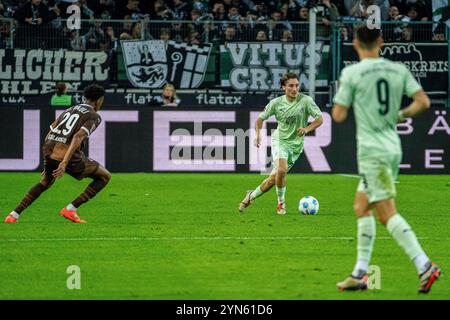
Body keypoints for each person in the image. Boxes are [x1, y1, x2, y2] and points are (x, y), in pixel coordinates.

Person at [332, 24, 441, 293]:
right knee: (361, 206)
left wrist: (351, 97)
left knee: (386, 213)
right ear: (381, 42)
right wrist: (399, 115)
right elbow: (423, 102)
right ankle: (359, 273)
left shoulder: (352, 72)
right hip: (392, 147)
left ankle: (424, 265)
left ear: (356, 44)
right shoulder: (398, 70)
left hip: (373, 152)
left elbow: (338, 114)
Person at [4, 84, 111, 224]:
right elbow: (79, 136)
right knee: (104, 176)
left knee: (45, 182)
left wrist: (47, 160)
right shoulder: (94, 116)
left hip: (50, 149)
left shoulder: (71, 109)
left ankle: (13, 215)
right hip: (68, 156)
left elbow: (51, 131)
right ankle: (71, 209)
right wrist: (64, 162)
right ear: (99, 100)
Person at [239, 73, 323, 215]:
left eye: (297, 85)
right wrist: (258, 134)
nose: (294, 88)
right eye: (291, 85)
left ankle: (250, 196)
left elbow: (319, 119)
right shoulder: (276, 103)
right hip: (280, 141)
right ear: (283, 87)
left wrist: (307, 129)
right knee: (282, 170)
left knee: (273, 179)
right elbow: (260, 119)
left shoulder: (306, 101)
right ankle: (281, 204)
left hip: (296, 146)